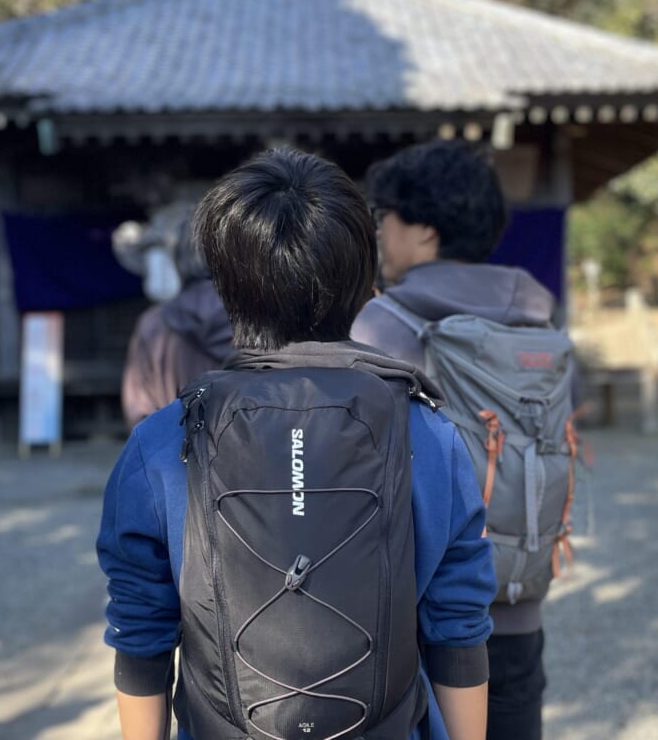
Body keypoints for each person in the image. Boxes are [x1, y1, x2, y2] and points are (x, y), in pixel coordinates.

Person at [97, 148, 495, 740]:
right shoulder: (428, 435)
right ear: (363, 284)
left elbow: (141, 638)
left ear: (227, 286)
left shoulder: (161, 443)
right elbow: (457, 627)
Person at [352, 139, 557, 740]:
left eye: (382, 217)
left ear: (422, 229)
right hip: (520, 598)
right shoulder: (539, 316)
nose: (379, 234)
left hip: (421, 616)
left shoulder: (383, 324)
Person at [120, 215, 232, 429]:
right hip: (235, 448)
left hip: (172, 451)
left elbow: (138, 404)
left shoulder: (153, 323)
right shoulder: (252, 319)